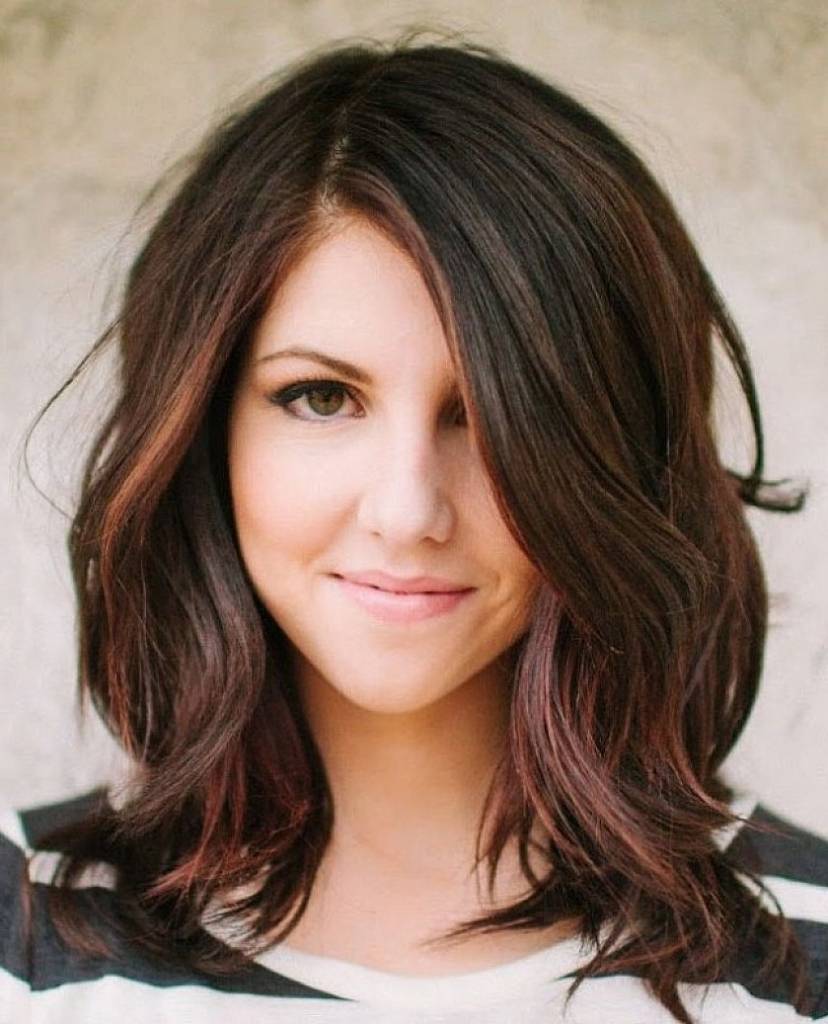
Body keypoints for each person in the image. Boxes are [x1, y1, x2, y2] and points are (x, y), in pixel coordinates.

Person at [1, 29, 826, 1024]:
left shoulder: (803, 958)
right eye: (320, 397)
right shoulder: (23, 935)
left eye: (485, 413)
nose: (406, 511)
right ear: (205, 429)